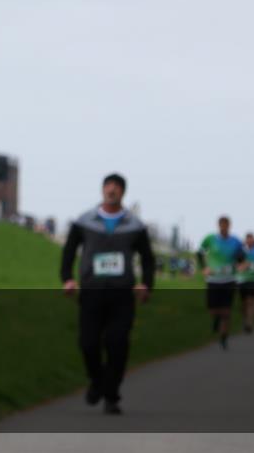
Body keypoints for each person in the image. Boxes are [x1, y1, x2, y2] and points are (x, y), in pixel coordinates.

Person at [61, 173, 155, 416]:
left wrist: (146, 284)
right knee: (88, 343)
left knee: (117, 344)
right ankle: (97, 381)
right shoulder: (84, 221)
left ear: (123, 192)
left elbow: (147, 258)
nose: (112, 190)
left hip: (122, 294)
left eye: (116, 187)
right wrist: (67, 278)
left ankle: (111, 396)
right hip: (91, 292)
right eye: (108, 186)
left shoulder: (135, 225)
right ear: (102, 190)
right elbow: (69, 251)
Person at [196, 216, 245, 349]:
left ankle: (224, 337)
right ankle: (216, 319)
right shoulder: (210, 239)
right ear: (218, 225)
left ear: (229, 226)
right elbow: (199, 253)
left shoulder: (236, 241)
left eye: (226, 225)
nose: (224, 227)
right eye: (222, 225)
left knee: (226, 311)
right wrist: (204, 268)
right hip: (213, 279)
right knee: (212, 309)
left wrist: (240, 264)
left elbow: (242, 257)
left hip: (229, 279)